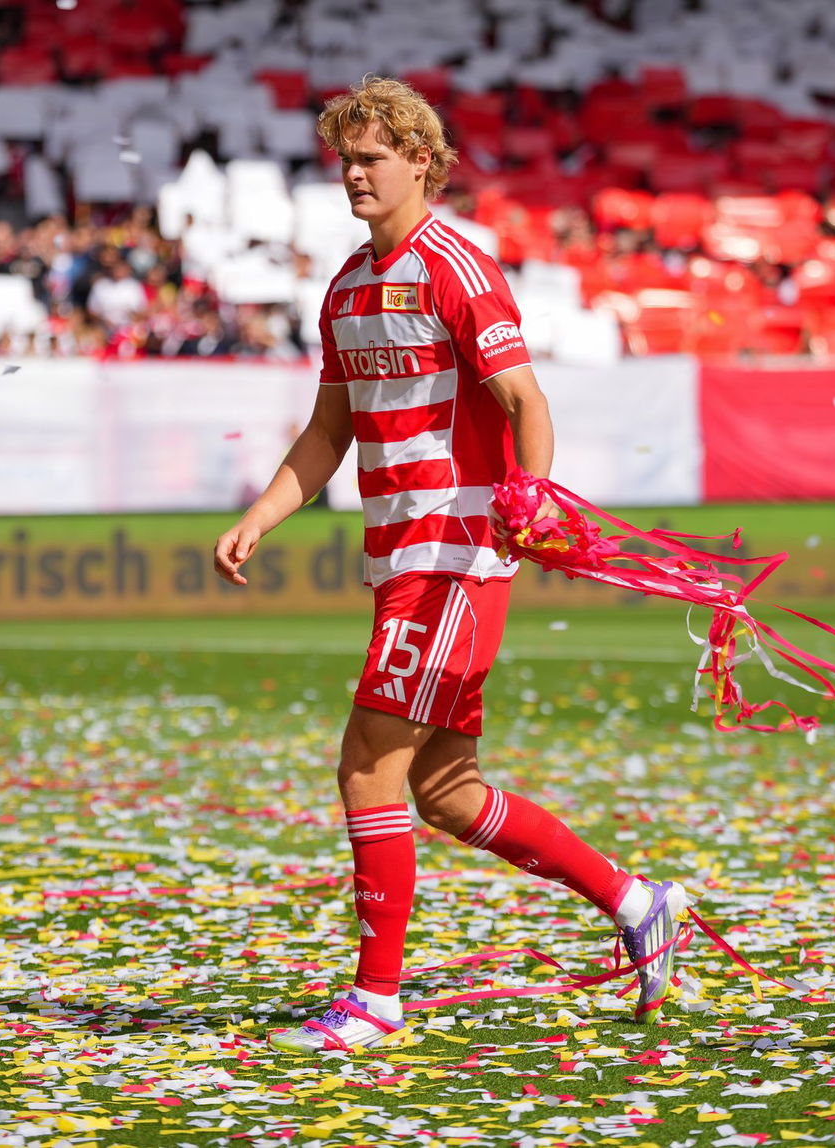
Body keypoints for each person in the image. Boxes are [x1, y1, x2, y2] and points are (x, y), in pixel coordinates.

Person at [212, 76, 688, 1054]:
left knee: (365, 763)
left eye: (370, 156)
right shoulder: (345, 288)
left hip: (455, 556)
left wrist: (533, 497)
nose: (352, 172)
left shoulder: (458, 268)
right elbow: (330, 428)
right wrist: (261, 512)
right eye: (343, 157)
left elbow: (523, 399)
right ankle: (637, 899)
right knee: (444, 786)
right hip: (401, 559)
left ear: (420, 162)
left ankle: (375, 998)